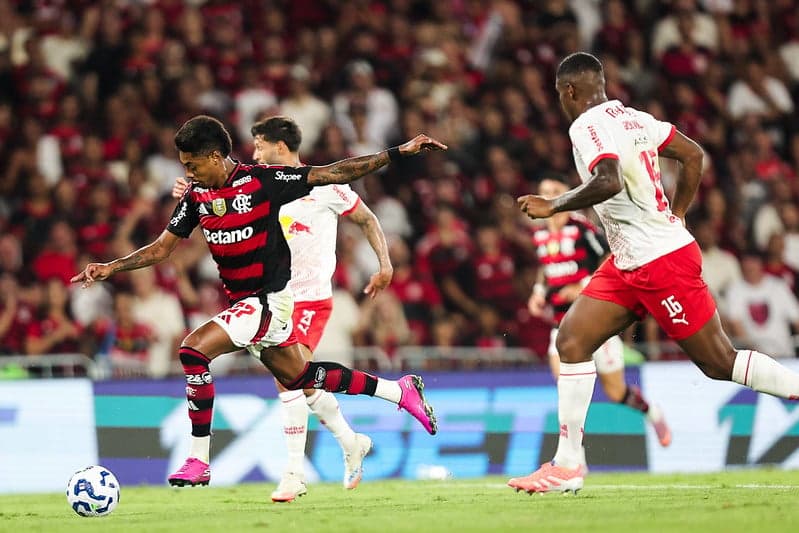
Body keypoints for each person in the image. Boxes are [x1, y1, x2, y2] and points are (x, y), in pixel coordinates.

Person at [72, 115, 444, 490]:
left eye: (192, 164)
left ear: (215, 157)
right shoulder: (197, 197)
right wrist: (111, 267)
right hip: (247, 304)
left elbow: (334, 173)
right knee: (301, 377)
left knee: (192, 351)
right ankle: (398, 391)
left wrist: (398, 151)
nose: (188, 172)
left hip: (269, 301)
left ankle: (200, 459)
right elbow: (163, 248)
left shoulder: (263, 181)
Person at [509, 52, 799, 494]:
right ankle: (566, 466)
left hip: (662, 263)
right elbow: (694, 155)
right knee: (571, 340)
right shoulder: (634, 118)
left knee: (720, 363)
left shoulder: (584, 126)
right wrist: (677, 212)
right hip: (628, 261)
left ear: (568, 91)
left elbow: (608, 180)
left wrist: (555, 204)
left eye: (558, 93)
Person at [171, 116, 393, 501]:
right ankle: (354, 435)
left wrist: (385, 264)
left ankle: (293, 473)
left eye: (260, 146)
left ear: (281, 146)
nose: (254, 153)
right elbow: (226, 189)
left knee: (289, 380)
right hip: (269, 294)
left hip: (307, 296)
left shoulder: (323, 187)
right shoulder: (262, 185)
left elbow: (366, 217)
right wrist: (196, 187)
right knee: (300, 379)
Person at [527, 175, 671, 465]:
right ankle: (574, 459)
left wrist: (582, 285)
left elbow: (612, 258)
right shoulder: (541, 236)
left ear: (566, 197)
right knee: (566, 389)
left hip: (594, 324)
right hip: (561, 325)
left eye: (555, 191)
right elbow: (545, 269)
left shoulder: (582, 229)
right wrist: (538, 291)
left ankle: (651, 412)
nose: (549, 196)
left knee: (616, 392)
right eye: (544, 192)